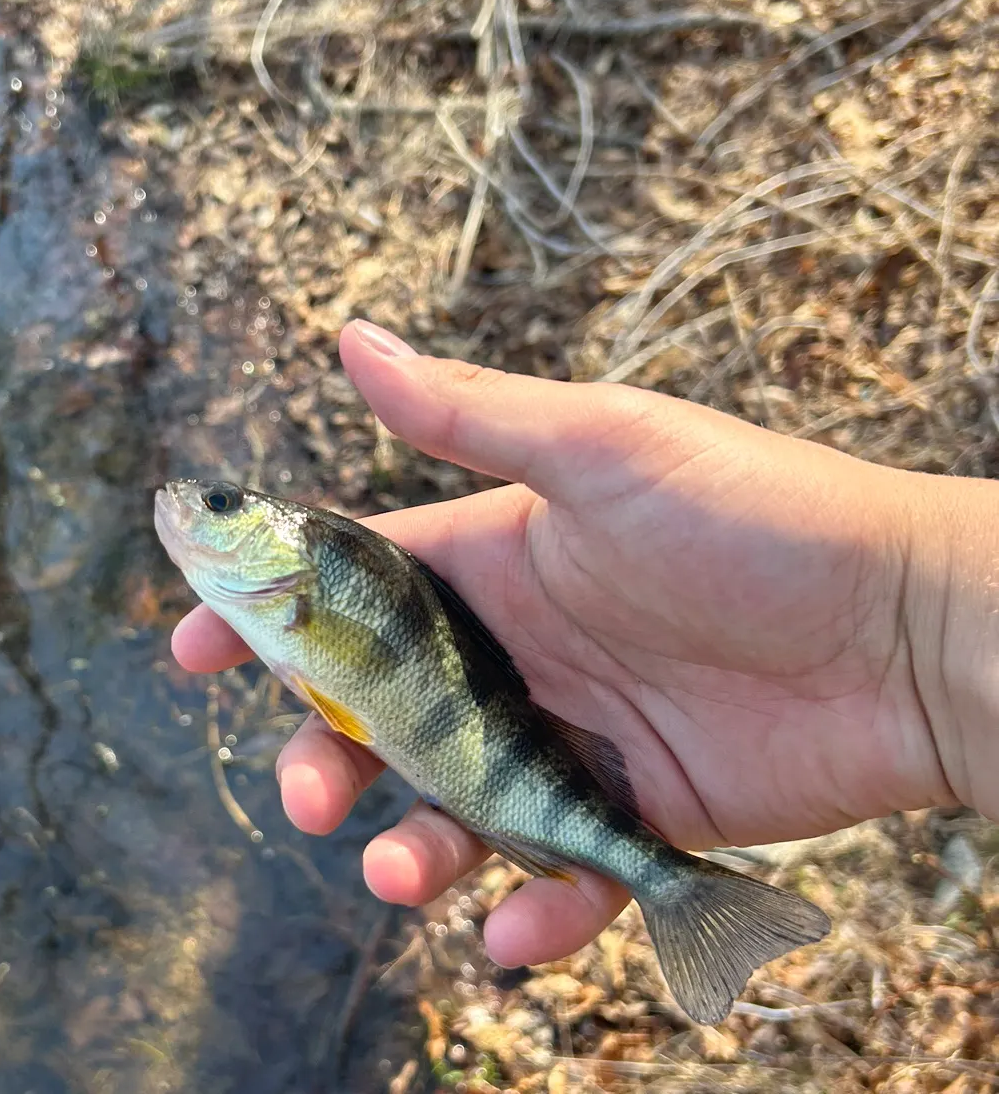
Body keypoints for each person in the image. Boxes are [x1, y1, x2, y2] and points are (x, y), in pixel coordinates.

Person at [172, 317, 999, 973]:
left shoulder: (313, 575)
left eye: (220, 504)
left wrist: (907, 614)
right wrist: (911, 624)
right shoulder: (299, 588)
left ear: (280, 548)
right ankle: (666, 882)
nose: (192, 506)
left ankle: (671, 886)